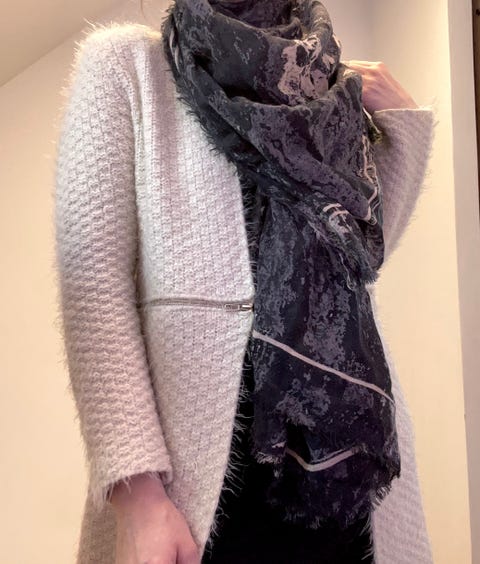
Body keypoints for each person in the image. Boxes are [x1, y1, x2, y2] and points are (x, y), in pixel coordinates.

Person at [54, 1, 436, 563]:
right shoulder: (127, 64)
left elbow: (360, 260)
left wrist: (404, 125)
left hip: (345, 469)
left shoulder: (326, 91)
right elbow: (93, 287)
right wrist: (138, 497)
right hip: (193, 496)